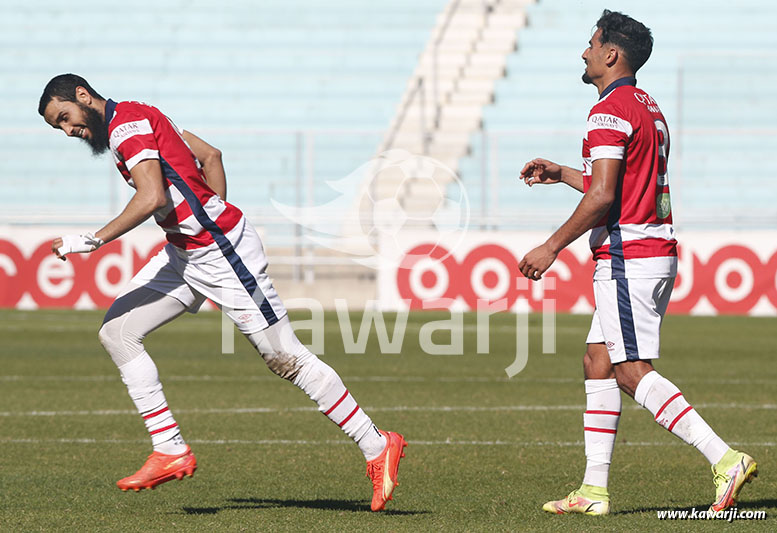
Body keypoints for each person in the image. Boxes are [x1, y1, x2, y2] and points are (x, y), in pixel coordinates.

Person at [38, 74, 406, 511]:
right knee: (117, 331)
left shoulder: (126, 126)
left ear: (83, 96)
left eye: (65, 118)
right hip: (184, 254)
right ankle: (170, 448)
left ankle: (376, 443)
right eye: (57, 127)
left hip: (220, 254)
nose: (68, 131)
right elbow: (210, 155)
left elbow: (153, 195)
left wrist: (93, 239)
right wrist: (211, 213)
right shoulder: (140, 114)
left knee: (286, 358)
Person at [518, 10, 757, 516]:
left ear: (611, 54)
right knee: (597, 361)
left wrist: (551, 246)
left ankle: (725, 459)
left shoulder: (607, 111)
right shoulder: (646, 106)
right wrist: (563, 172)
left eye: (591, 43)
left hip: (631, 256)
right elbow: (620, 186)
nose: (584, 52)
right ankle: (594, 491)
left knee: (629, 371)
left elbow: (604, 196)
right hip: (649, 249)